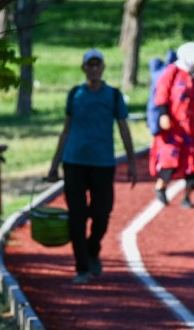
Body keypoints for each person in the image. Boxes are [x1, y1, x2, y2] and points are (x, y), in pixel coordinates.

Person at [47, 49, 137, 285]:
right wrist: (54, 164)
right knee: (76, 216)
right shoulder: (75, 95)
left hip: (103, 163)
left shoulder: (113, 96)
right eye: (90, 65)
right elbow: (66, 130)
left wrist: (132, 160)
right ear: (84, 69)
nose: (94, 70)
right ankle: (82, 267)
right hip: (74, 162)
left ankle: (92, 248)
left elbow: (123, 128)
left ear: (103, 68)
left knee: (102, 213)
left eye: (98, 65)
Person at [150, 41, 194, 209]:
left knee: (193, 163)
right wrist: (163, 114)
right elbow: (162, 92)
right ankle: (161, 186)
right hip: (174, 127)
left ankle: (187, 196)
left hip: (193, 129)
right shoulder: (172, 72)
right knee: (171, 159)